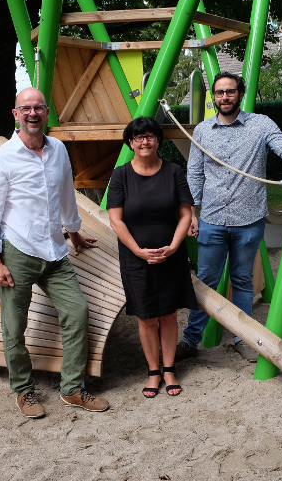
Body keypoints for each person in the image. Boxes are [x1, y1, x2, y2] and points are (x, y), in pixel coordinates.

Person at [0, 87, 110, 419]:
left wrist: (76, 233)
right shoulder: (2, 158)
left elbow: (67, 194)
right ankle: (24, 391)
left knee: (77, 313)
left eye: (38, 108)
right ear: (16, 114)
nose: (33, 114)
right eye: (26, 109)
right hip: (18, 252)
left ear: (46, 112)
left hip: (55, 250)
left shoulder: (59, 151)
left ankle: (72, 390)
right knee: (14, 327)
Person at [177, 72, 282, 362]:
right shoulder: (203, 131)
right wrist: (192, 213)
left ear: (240, 93)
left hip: (249, 221)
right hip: (212, 219)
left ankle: (242, 338)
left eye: (230, 92)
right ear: (215, 97)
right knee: (206, 281)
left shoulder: (260, 124)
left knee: (243, 281)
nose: (225, 97)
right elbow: (194, 173)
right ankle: (191, 339)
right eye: (220, 92)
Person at [107, 117, 197, 398]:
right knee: (146, 316)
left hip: (171, 254)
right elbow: (116, 220)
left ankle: (169, 368)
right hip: (136, 257)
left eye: (149, 136)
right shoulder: (121, 175)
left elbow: (186, 213)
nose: (144, 142)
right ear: (130, 143)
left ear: (158, 140)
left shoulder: (173, 172)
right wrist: (137, 250)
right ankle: (153, 371)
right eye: (138, 137)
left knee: (169, 314)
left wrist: (172, 246)